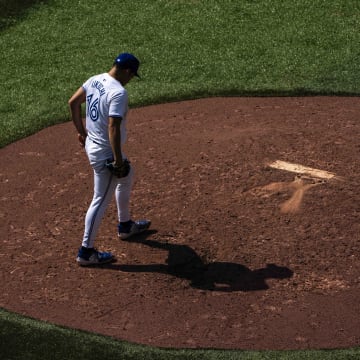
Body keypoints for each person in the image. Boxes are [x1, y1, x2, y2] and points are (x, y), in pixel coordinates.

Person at [68, 52, 151, 266]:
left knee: (127, 176)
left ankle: (125, 225)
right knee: (100, 199)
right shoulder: (118, 92)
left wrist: (82, 132)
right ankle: (86, 252)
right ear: (126, 71)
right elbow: (113, 127)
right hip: (105, 152)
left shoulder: (95, 79)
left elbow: (73, 103)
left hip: (93, 144)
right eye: (132, 75)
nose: (131, 79)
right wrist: (118, 160)